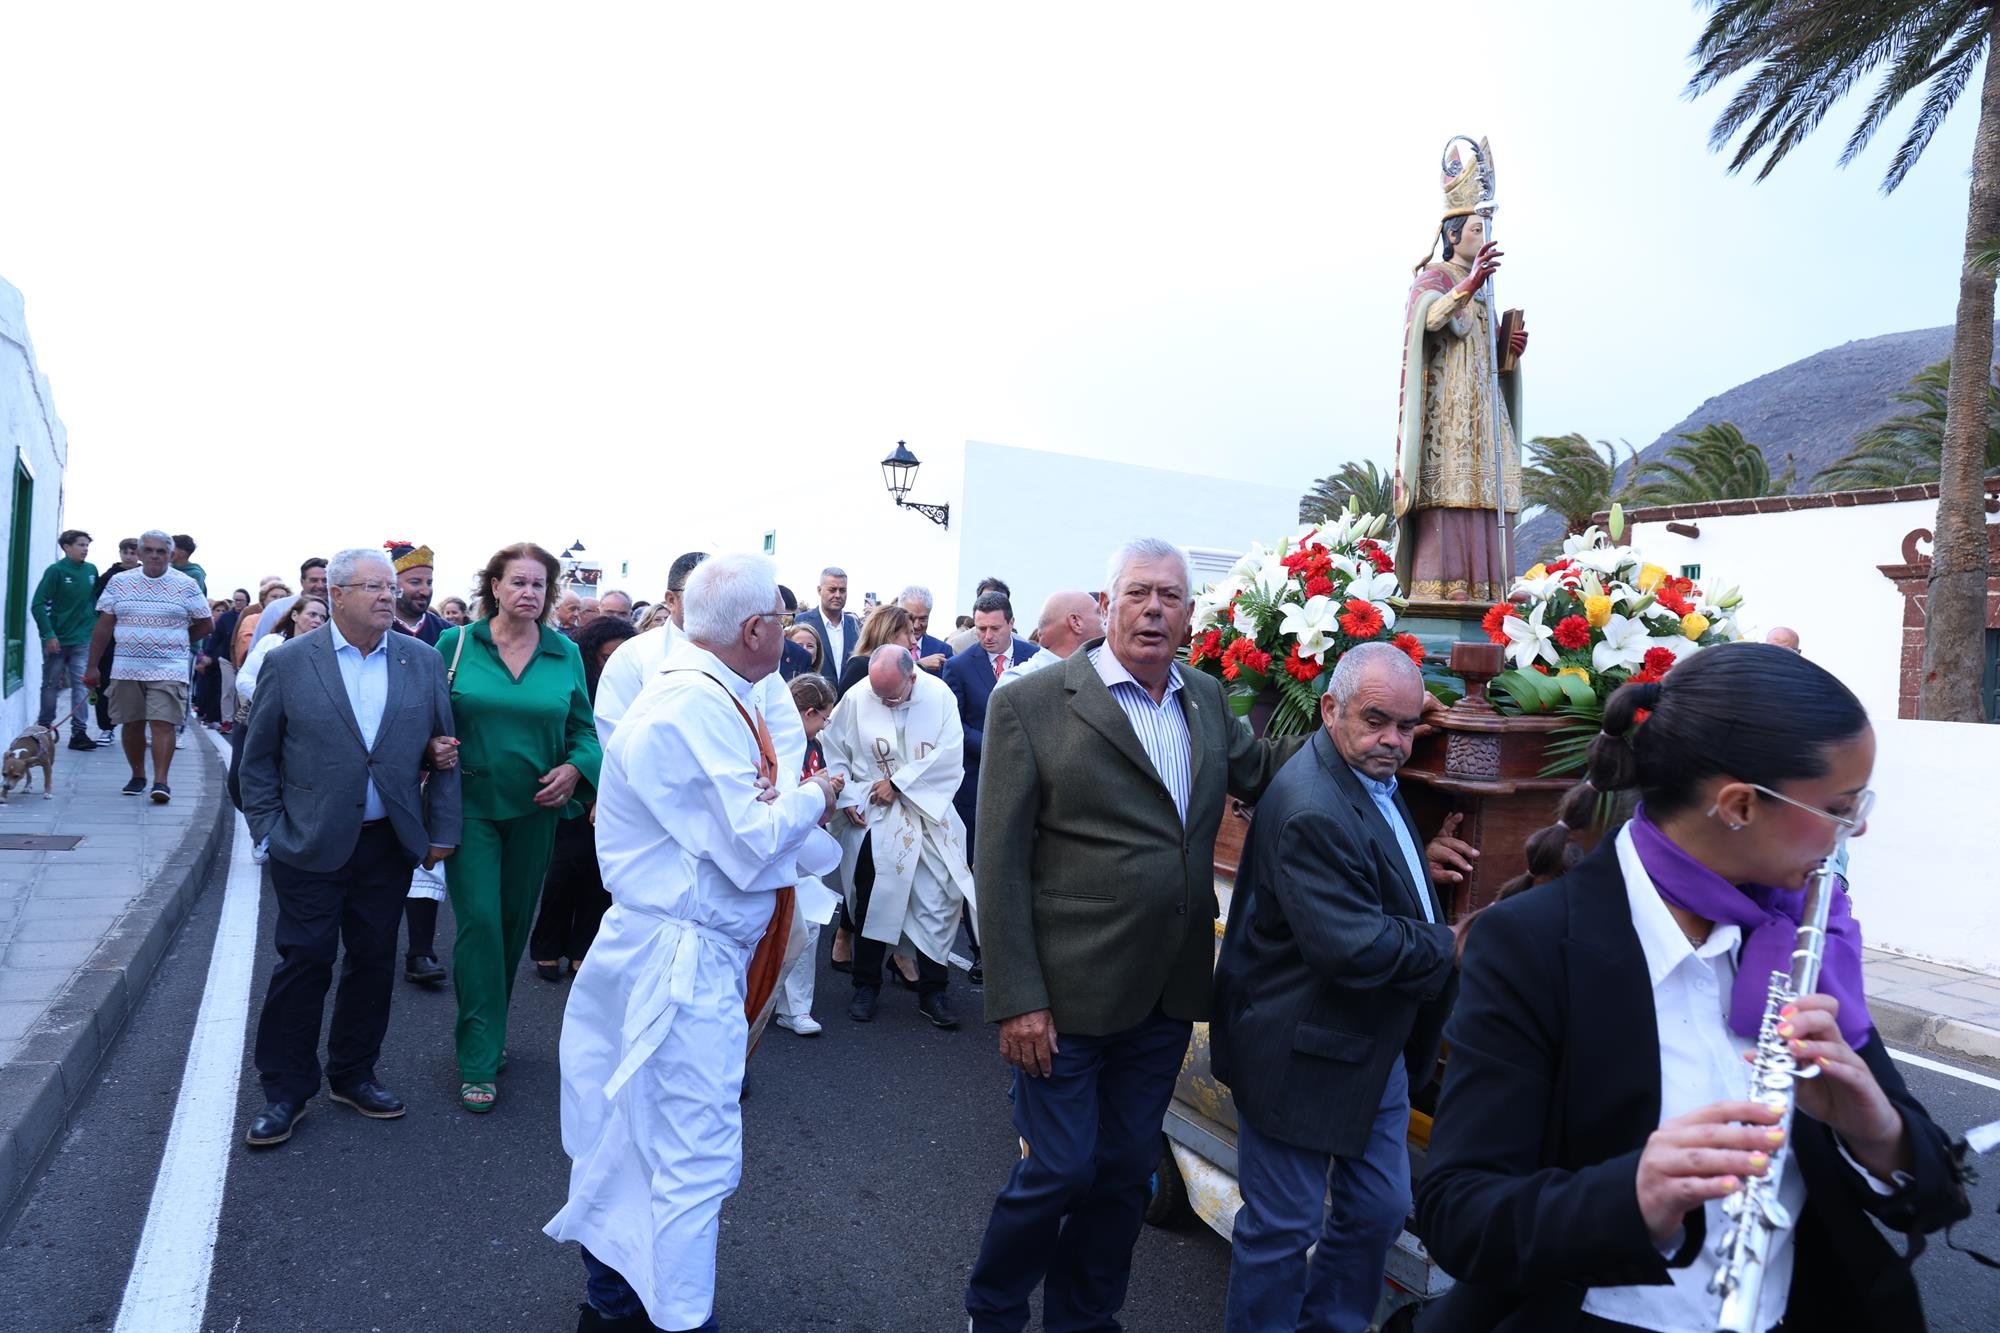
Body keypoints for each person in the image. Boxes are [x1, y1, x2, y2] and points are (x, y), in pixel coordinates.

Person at [1415, 643, 1969, 1331]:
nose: (1856, 828)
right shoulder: (1533, 945)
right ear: (1738, 805)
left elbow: (1937, 1191)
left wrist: (1876, 1129)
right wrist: (1634, 1193)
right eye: (1840, 807)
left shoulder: (1798, 937)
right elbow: (1459, 1214)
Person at [964, 539, 1304, 1333]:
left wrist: (1363, 734)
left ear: (1191, 615)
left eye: (1172, 597)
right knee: (1056, 1168)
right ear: (1107, 603)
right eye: (1140, 593)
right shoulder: (1034, 704)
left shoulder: (1207, 699)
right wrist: (1016, 998)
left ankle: (1084, 1317)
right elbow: (999, 862)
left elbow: (1270, 771)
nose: (1155, 609)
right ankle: (994, 1306)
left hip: (1164, 993)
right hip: (1062, 998)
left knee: (1120, 1173)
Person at [544, 552, 843, 1333]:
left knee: (638, 1139)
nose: (790, 633)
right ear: (755, 628)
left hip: (674, 948)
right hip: (680, 960)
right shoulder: (695, 705)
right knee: (690, 1154)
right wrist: (820, 791)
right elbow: (749, 840)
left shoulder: (712, 693)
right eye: (783, 619)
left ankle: (612, 1307)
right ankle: (676, 1318)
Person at [1210, 641, 1457, 1332]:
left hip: (1366, 1045)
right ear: (1329, 709)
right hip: (1298, 1050)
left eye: (1408, 726)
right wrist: (1453, 942)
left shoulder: (1362, 769)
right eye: (1377, 719)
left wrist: (1417, 871)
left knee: (1378, 1209)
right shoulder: (1313, 799)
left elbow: (1372, 860)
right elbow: (1350, 945)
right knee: (1283, 1228)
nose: (1395, 741)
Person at [237, 548, 460, 1148]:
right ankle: (285, 1089)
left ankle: (354, 1074)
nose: (390, 596)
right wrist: (268, 828)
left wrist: (440, 831)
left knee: (373, 960)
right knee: (305, 959)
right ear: (336, 594)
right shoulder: (289, 662)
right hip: (307, 841)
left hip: (386, 843)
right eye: (374, 587)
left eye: (392, 587)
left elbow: (443, 749)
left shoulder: (421, 661)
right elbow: (254, 760)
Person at [435, 543, 602, 1113]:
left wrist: (577, 767)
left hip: (537, 809)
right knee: (479, 923)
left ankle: (489, 1031)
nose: (529, 592)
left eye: (539, 584)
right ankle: (478, 1056)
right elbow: (423, 717)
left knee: (509, 929)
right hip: (470, 805)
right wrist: (432, 747)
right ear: (495, 587)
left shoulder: (564, 654)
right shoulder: (455, 644)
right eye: (519, 582)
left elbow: (585, 731)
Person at [1393, 137, 1529, 604]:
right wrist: (1468, 285)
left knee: (1488, 492)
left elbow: (1484, 352)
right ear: (1453, 235)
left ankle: (1490, 590)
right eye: (1476, 227)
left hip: (1482, 416)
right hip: (1447, 420)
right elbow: (1429, 321)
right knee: (1450, 494)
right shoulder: (1434, 276)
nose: (1482, 235)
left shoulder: (1486, 290)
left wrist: (1508, 351)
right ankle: (1440, 593)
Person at [821, 645, 975, 1029]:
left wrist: (900, 784)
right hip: (875, 813)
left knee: (939, 896)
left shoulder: (938, 695)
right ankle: (866, 984)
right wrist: (844, 799)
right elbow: (835, 748)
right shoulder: (859, 697)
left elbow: (949, 755)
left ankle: (933, 990)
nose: (884, 702)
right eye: (879, 694)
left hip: (928, 812)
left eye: (892, 694)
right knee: (872, 895)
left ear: (912, 677)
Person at [530, 615, 640, 982]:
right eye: (607, 657)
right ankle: (546, 946)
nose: (613, 665)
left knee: (598, 876)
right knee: (562, 871)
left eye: (621, 657)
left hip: (617, 791)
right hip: (573, 786)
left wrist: (609, 795)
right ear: (592, 654)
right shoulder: (576, 682)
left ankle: (582, 948)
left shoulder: (637, 690)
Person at [83, 531, 213, 804]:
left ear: (171, 554)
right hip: (126, 667)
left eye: (161, 551)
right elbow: (104, 625)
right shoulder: (119, 582)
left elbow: (206, 623)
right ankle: (138, 775)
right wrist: (92, 666)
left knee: (162, 722)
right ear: (140, 554)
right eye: (149, 551)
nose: (155, 555)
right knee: (131, 723)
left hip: (169, 668)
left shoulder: (186, 584)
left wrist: (177, 641)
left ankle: (161, 782)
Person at [941, 590, 1039, 850]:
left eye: (995, 628)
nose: (987, 636)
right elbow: (952, 724)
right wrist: (992, 745)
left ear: (1011, 623)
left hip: (1029, 780)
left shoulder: (1036, 658)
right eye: (980, 628)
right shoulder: (958, 666)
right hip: (977, 782)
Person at [774, 672, 839, 1037]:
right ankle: (763, 1000)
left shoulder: (811, 744)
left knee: (809, 923)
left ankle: (796, 1007)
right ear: (809, 711)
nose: (825, 725)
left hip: (805, 845)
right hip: (778, 843)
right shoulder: (778, 741)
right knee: (777, 926)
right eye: (824, 718)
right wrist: (813, 789)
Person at [32, 528, 100, 750]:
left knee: (82, 686)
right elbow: (38, 604)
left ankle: (79, 733)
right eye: (81, 545)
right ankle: (43, 729)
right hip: (58, 640)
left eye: (87, 545)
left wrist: (93, 624)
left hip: (82, 639)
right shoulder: (56, 571)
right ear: (67, 547)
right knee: (50, 685)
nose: (85, 549)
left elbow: (94, 601)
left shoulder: (91, 570)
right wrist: (48, 634)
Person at [236, 595, 330, 711]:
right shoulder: (270, 642)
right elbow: (244, 678)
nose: (318, 620)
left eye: (323, 617)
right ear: (295, 615)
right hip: (264, 714)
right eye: (312, 614)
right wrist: (271, 700)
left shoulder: (325, 653)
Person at [993, 591, 1099, 690]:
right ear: (1075, 622)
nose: (1107, 620)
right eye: (1099, 613)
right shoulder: (1015, 684)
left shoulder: (1100, 673)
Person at [89, 538, 140, 742]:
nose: (129, 556)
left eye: (133, 552)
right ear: (120, 553)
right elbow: (97, 609)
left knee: (137, 687)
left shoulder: (146, 576)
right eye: (125, 552)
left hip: (136, 641)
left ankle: (137, 729)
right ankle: (106, 727)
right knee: (105, 685)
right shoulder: (108, 577)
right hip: (110, 641)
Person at [238, 558, 326, 667]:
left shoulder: (339, 610)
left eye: (325, 580)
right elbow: (257, 648)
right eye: (314, 580)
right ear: (302, 581)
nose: (320, 585)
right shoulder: (277, 608)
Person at [793, 566, 861, 686]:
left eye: (842, 590)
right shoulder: (803, 622)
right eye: (832, 590)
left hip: (847, 699)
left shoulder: (855, 626)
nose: (838, 595)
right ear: (819, 590)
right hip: (815, 697)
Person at [833, 603, 917, 697]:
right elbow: (843, 707)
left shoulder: (909, 669)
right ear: (889, 635)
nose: (914, 641)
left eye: (913, 633)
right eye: (908, 633)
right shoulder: (860, 667)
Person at [387, 542, 449, 645]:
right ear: (393, 585)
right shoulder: (375, 631)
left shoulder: (448, 632)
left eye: (429, 583)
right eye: (415, 582)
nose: (425, 591)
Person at [897, 585, 952, 673]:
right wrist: (919, 664)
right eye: (912, 618)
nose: (916, 625)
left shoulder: (943, 650)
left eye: (922, 618)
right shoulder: (885, 647)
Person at [948, 578, 1010, 652]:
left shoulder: (1022, 646)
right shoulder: (959, 644)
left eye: (999, 603)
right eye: (986, 601)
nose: (992, 607)